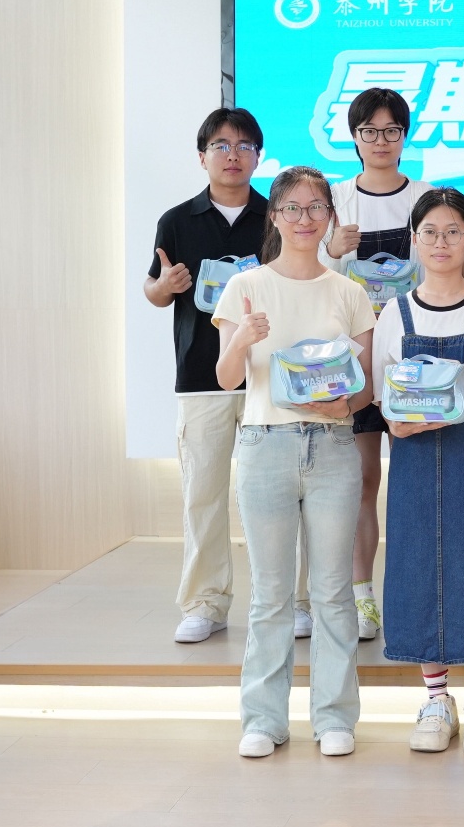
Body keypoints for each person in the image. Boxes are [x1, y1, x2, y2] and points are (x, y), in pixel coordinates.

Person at [212, 166, 378, 759]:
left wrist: (344, 402)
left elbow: (364, 387)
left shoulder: (349, 292)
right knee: (272, 593)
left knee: (333, 591)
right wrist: (242, 339)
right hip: (265, 446)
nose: (305, 218)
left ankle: (334, 718)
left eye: (316, 208)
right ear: (275, 215)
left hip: (333, 448)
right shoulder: (246, 287)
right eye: (293, 207)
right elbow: (227, 378)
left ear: (330, 216)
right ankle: (263, 720)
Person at [374, 188, 464, 756]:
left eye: (453, 232)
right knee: (416, 564)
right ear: (414, 239)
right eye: (430, 232)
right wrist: (397, 424)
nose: (441, 242)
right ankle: (435, 700)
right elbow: (385, 397)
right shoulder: (396, 312)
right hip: (413, 457)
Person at [143, 108, 291, 646]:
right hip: (201, 376)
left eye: (245, 145)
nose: (233, 155)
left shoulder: (279, 217)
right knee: (202, 496)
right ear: (202, 156)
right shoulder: (176, 221)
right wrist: (165, 287)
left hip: (268, 376)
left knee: (278, 497)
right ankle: (205, 603)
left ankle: (289, 603)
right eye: (222, 145)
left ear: (258, 156)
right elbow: (154, 291)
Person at [322, 86, 432, 643]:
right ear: (354, 137)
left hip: (418, 353)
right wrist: (331, 250)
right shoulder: (334, 200)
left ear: (404, 136)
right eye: (370, 131)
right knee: (362, 479)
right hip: (357, 353)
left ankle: (417, 591)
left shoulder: (429, 197)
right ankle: (361, 594)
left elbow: (457, 271)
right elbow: (305, 274)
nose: (381, 141)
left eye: (391, 130)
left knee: (419, 480)